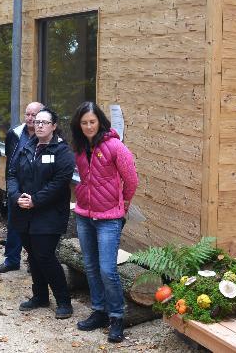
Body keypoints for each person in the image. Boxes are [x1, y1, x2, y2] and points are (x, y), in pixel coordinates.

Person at [70, 101, 138, 343]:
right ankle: (99, 311)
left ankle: (117, 317)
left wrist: (124, 204)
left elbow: (131, 179)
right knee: (90, 266)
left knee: (107, 270)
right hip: (84, 215)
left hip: (109, 217)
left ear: (100, 121)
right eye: (84, 122)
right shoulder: (78, 147)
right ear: (79, 125)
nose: (89, 126)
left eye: (92, 122)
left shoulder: (115, 146)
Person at [7, 107, 75, 319]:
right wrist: (16, 195)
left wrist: (35, 200)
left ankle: (64, 301)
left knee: (45, 255)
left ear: (54, 126)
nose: (39, 125)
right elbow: (12, 174)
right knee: (34, 256)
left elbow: (59, 183)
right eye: (37, 122)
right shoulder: (26, 146)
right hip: (23, 212)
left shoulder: (62, 151)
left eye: (44, 122)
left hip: (49, 214)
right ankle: (40, 296)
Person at [0, 101, 44, 274]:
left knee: (35, 228)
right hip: (16, 188)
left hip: (37, 190)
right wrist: (11, 189)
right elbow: (10, 161)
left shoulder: (46, 136)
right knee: (13, 224)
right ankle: (11, 260)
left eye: (34, 115)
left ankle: (34, 261)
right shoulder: (14, 134)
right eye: (28, 114)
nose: (30, 118)